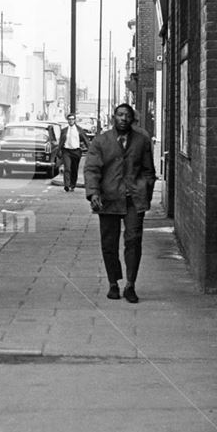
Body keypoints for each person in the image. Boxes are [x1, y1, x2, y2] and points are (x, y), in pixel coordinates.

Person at [83, 103, 156, 303]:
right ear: (114, 117)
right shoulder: (101, 141)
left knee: (133, 241)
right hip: (108, 199)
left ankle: (130, 285)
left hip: (133, 199)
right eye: (120, 115)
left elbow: (149, 171)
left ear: (132, 119)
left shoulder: (141, 141)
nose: (123, 119)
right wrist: (93, 193)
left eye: (127, 116)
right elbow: (91, 169)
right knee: (109, 243)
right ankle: (113, 283)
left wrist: (145, 191)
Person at [57, 112, 91, 192]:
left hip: (76, 151)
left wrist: (90, 149)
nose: (71, 121)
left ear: (75, 120)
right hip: (66, 151)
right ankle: (66, 185)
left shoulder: (79, 130)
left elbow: (86, 140)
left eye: (72, 119)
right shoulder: (64, 130)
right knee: (67, 168)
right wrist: (59, 151)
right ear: (67, 120)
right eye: (69, 119)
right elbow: (61, 142)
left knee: (74, 169)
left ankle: (72, 184)